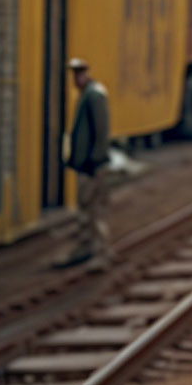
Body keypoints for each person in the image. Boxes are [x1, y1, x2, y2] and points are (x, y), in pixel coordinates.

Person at [53, 58, 111, 271]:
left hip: (92, 166)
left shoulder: (94, 95)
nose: (76, 79)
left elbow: (101, 132)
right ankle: (87, 249)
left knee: (95, 211)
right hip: (87, 165)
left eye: (78, 75)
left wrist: (94, 161)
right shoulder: (89, 94)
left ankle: (101, 253)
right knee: (87, 210)